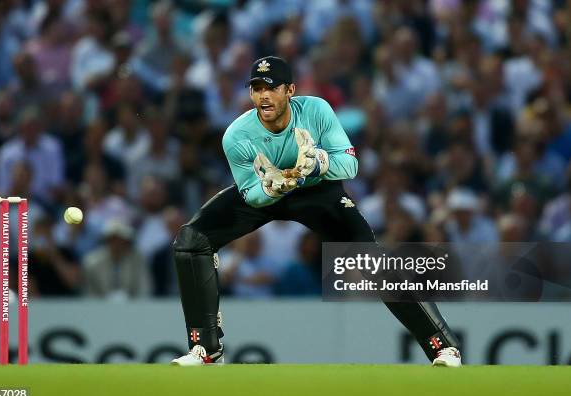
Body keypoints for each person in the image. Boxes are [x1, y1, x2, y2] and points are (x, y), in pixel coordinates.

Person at [171, 57, 461, 367]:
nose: (264, 96)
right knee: (191, 242)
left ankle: (442, 347)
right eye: (257, 89)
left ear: (290, 90)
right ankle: (206, 350)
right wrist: (272, 188)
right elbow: (249, 193)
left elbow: (350, 164)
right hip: (271, 191)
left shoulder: (316, 111)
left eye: (272, 88)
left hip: (316, 191)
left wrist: (318, 163)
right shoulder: (237, 135)